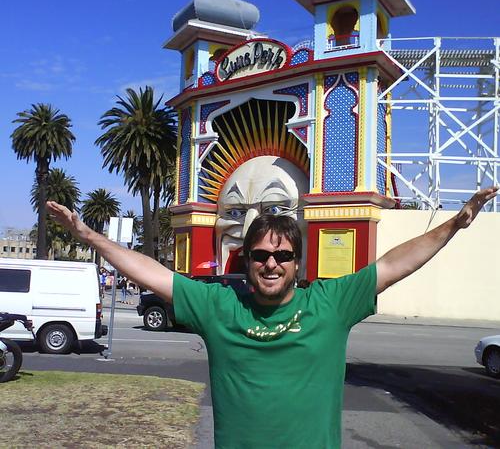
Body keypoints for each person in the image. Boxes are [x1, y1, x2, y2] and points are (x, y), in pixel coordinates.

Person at [46, 186, 497, 449]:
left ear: (297, 263)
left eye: (283, 256)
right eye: (260, 255)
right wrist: (87, 234)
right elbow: (151, 272)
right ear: (246, 261)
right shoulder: (219, 306)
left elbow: (395, 263)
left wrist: (453, 225)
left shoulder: (331, 303)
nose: (271, 264)